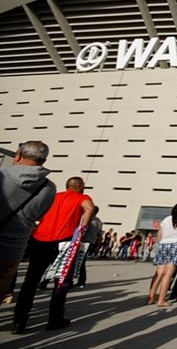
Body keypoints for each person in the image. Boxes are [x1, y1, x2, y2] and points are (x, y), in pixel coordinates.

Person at [13, 175, 95, 334]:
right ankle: (55, 318)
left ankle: (19, 321)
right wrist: (82, 229)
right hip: (63, 242)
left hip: (40, 240)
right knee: (61, 281)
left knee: (30, 281)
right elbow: (90, 208)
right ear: (80, 186)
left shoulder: (54, 197)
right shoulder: (82, 197)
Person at [0, 141, 56, 301]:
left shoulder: (2, 176)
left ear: (18, 155)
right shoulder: (49, 187)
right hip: (15, 247)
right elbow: (40, 216)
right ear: (44, 161)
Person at [148, 203, 177, 307]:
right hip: (176, 246)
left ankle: (151, 297)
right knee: (168, 274)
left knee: (159, 273)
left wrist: (162, 243)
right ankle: (161, 300)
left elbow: (159, 234)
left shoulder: (166, 219)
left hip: (163, 245)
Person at [76, 205, 103, 288]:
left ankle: (81, 281)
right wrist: (97, 246)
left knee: (80, 261)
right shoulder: (99, 221)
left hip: (84, 243)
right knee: (81, 261)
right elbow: (100, 235)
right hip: (91, 243)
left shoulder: (88, 219)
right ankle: (81, 281)